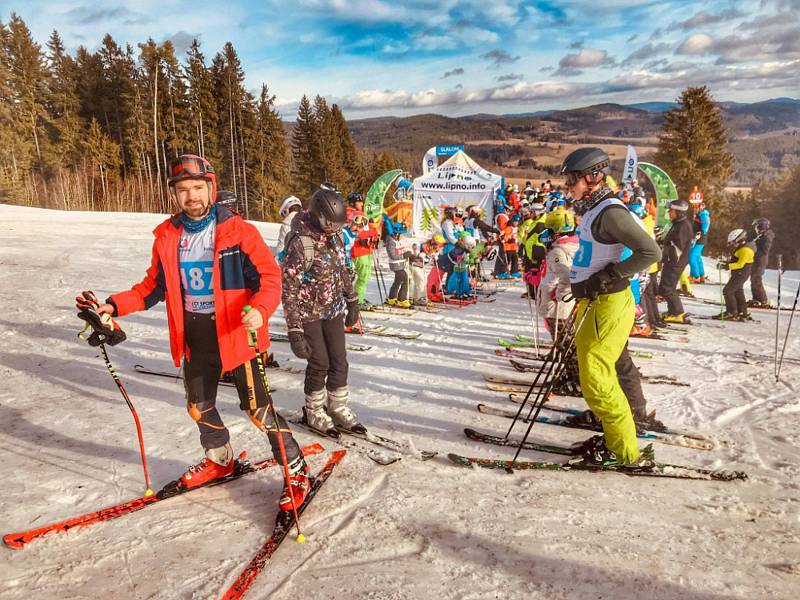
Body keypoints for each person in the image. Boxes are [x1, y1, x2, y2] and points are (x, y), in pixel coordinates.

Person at [91, 154, 308, 511]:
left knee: (258, 411)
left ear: (210, 188)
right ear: (174, 194)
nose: (190, 196)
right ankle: (220, 457)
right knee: (198, 406)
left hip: (239, 334)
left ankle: (296, 469)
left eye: (197, 187)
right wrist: (114, 306)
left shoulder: (239, 231)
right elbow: (151, 287)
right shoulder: (168, 236)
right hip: (195, 335)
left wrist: (261, 309)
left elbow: (270, 278)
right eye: (182, 190)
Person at [562, 147, 661, 467]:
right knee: (596, 372)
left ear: (592, 178)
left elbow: (650, 252)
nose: (568, 186)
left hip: (608, 302)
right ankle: (614, 435)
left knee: (597, 377)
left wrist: (608, 275)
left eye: (572, 180)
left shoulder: (611, 212)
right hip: (594, 302)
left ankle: (627, 453)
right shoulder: (594, 208)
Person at [281, 187, 363, 438]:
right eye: (330, 223)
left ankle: (337, 407)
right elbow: (289, 290)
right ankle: (314, 409)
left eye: (337, 224)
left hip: (333, 310)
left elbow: (343, 270)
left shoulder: (335, 237)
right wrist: (294, 331)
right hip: (309, 314)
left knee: (339, 360)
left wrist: (352, 302)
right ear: (317, 216)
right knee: (320, 363)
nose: (334, 228)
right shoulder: (301, 242)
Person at [658, 199, 694, 324]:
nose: (669, 212)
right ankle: (673, 311)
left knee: (667, 288)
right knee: (666, 287)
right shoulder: (678, 223)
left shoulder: (683, 226)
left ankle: (677, 313)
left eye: (671, 210)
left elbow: (677, 248)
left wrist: (662, 250)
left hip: (675, 262)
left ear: (679, 212)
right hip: (672, 261)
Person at [715, 228, 756, 320]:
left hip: (741, 273)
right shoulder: (741, 248)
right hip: (739, 273)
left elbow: (740, 264)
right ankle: (742, 312)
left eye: (733, 242)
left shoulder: (745, 250)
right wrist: (726, 263)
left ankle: (731, 312)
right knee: (738, 291)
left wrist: (727, 266)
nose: (732, 244)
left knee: (728, 291)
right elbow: (736, 260)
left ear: (739, 240)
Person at [349, 211, 379, 307]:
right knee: (362, 278)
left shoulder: (367, 229)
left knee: (365, 278)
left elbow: (374, 234)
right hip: (359, 255)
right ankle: (358, 300)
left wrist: (373, 239)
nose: (359, 225)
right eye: (357, 222)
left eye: (362, 223)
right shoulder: (350, 231)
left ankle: (359, 297)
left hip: (367, 254)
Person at [383, 219, 411, 307]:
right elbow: (393, 255)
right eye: (402, 234)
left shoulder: (396, 240)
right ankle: (402, 299)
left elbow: (399, 251)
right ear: (397, 234)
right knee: (405, 279)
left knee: (398, 281)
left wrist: (408, 254)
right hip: (396, 265)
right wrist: (403, 255)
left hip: (400, 264)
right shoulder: (391, 241)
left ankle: (392, 298)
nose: (403, 236)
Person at [748, 218, 774, 308]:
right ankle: (756, 298)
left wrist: (754, 251)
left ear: (761, 227)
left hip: (760, 261)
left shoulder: (766, 237)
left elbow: (765, 250)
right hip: (756, 260)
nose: (756, 229)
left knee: (756, 279)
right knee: (753, 279)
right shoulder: (761, 236)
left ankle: (763, 299)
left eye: (757, 226)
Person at [688, 199, 711, 283]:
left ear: (700, 207)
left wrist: (700, 233)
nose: (694, 209)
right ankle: (701, 276)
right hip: (699, 239)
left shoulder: (703, 214)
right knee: (697, 257)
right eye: (693, 207)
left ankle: (695, 276)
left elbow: (706, 225)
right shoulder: (699, 214)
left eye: (696, 207)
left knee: (691, 257)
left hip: (700, 239)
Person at [276, 196, 302, 260]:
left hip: (293, 264)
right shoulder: (307, 222)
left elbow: (280, 248)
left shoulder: (286, 225)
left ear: (285, 211)